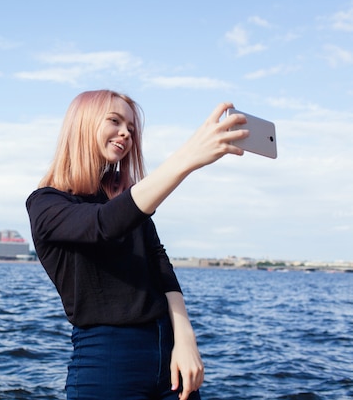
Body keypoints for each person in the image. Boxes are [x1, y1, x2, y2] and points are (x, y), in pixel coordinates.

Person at [25, 90, 248, 400]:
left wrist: (185, 341)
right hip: (108, 364)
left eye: (131, 127)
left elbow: (161, 266)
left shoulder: (126, 200)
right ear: (83, 125)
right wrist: (187, 158)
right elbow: (104, 225)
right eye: (115, 121)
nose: (126, 133)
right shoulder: (46, 204)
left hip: (171, 360)